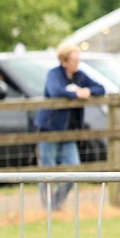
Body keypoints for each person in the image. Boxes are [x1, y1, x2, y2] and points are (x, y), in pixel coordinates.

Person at [35, 42, 105, 210]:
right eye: (74, 60)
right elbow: (55, 91)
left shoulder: (80, 76)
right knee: (48, 171)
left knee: (74, 170)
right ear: (64, 61)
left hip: (70, 131)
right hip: (50, 128)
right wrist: (76, 93)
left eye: (78, 59)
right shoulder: (54, 74)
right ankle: (47, 208)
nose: (77, 63)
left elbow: (100, 88)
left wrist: (87, 91)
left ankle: (56, 205)